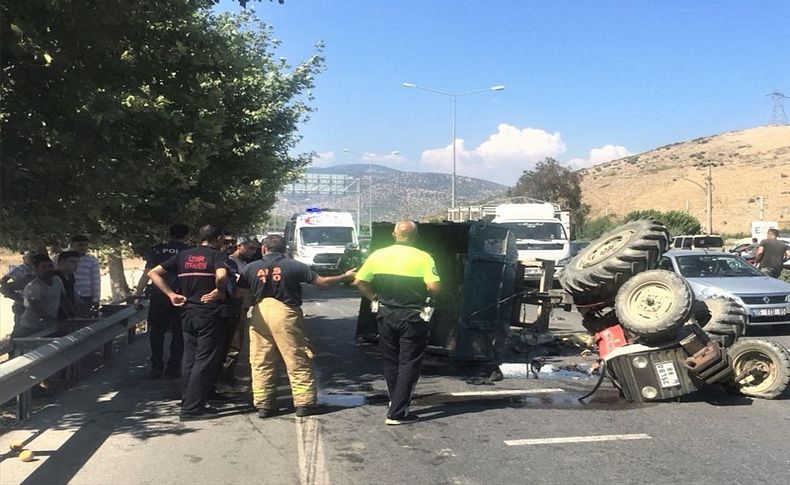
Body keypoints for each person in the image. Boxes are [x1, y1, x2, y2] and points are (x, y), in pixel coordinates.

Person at [237, 234, 355, 418]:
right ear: (285, 250)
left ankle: (264, 404)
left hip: (259, 312)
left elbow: (239, 292)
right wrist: (345, 276)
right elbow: (321, 283)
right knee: (296, 357)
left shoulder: (250, 267)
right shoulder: (294, 266)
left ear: (263, 249)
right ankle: (305, 403)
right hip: (285, 313)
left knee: (261, 359)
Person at [353, 221, 440, 426]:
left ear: (394, 235)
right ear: (416, 236)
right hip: (412, 316)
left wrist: (374, 298)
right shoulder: (424, 257)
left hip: (385, 314)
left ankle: (396, 400)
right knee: (409, 362)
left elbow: (359, 281)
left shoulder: (378, 255)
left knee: (390, 360)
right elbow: (434, 287)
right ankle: (397, 412)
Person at [148, 225, 229, 421]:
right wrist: (219, 290)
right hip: (208, 313)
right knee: (204, 360)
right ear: (217, 238)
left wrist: (171, 295)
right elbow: (222, 276)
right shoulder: (216, 256)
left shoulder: (183, 256)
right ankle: (192, 408)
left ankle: (188, 400)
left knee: (189, 358)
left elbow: (152, 273)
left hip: (187, 312)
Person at [134, 224, 191, 379]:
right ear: (186, 235)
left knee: (157, 332)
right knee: (179, 332)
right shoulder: (189, 252)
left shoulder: (157, 250)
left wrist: (138, 294)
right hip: (181, 295)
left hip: (159, 294)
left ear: (169, 234)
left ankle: (156, 365)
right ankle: (174, 367)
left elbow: (148, 274)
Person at [218, 235, 257, 381]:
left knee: (236, 343)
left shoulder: (244, 263)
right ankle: (225, 378)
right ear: (240, 246)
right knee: (233, 344)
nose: (253, 251)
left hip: (242, 307)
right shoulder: (230, 263)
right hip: (235, 307)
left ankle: (228, 376)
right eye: (251, 248)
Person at [13, 255, 66, 338]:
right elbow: (37, 310)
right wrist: (55, 322)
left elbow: (64, 300)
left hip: (48, 326)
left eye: (50, 266)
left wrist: (72, 317)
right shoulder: (33, 287)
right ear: (36, 270)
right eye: (44, 267)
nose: (48, 269)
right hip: (31, 328)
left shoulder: (57, 280)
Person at [1, 250, 37, 326]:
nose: (32, 260)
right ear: (24, 259)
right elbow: (3, 281)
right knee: (20, 324)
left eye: (34, 258)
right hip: (21, 299)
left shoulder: (38, 268)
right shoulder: (19, 269)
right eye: (30, 258)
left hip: (36, 299)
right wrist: (14, 289)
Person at [66, 235, 101, 308]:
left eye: (86, 245)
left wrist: (96, 299)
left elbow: (96, 280)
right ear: (72, 245)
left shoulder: (92, 260)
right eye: (80, 245)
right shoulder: (62, 258)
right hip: (68, 296)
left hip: (86, 296)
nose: (83, 247)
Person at [54, 250, 88, 318]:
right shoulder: (55, 277)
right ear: (62, 262)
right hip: (58, 315)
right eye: (72, 262)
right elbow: (62, 299)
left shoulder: (70, 275)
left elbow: (72, 292)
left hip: (70, 313)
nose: (76, 265)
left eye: (77, 262)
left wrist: (81, 305)